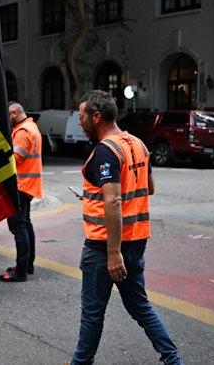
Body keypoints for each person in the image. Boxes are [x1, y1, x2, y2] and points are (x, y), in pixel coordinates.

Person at [71, 90, 182, 365]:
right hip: (136, 242)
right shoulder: (139, 144)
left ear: (97, 117)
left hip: (105, 247)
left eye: (83, 116)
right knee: (140, 308)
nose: (79, 122)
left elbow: (114, 199)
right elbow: (149, 188)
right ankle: (173, 360)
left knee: (93, 313)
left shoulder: (106, 151)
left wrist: (112, 253)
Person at [0, 101, 43, 282]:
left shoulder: (23, 132)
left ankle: (21, 271)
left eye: (8, 116)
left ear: (15, 113)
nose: (6, 120)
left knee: (19, 227)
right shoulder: (31, 127)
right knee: (25, 225)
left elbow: (13, 159)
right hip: (28, 185)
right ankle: (27, 265)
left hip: (21, 185)